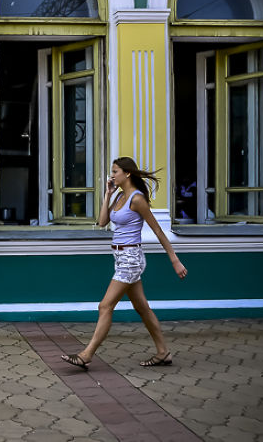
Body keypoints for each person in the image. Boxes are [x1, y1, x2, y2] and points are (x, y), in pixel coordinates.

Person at [61, 156, 188, 370]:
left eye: (115, 172)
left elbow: (157, 230)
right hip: (120, 258)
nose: (112, 176)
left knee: (105, 305)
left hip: (131, 259)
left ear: (127, 173)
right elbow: (102, 222)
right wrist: (108, 194)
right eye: (112, 172)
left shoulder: (137, 199)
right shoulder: (119, 196)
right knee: (142, 308)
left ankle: (86, 355)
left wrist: (175, 260)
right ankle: (163, 353)